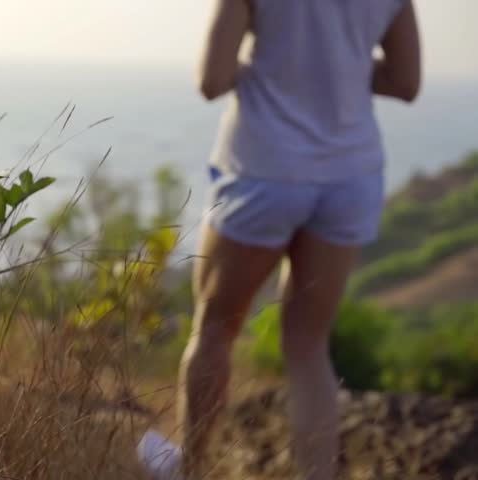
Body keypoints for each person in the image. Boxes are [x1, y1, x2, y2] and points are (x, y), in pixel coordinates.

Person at [175, 0, 422, 479]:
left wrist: (281, 66)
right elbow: (405, 83)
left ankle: (189, 469)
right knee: (309, 347)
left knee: (214, 329)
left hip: (265, 169)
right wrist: (339, 67)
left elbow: (212, 81)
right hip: (350, 176)